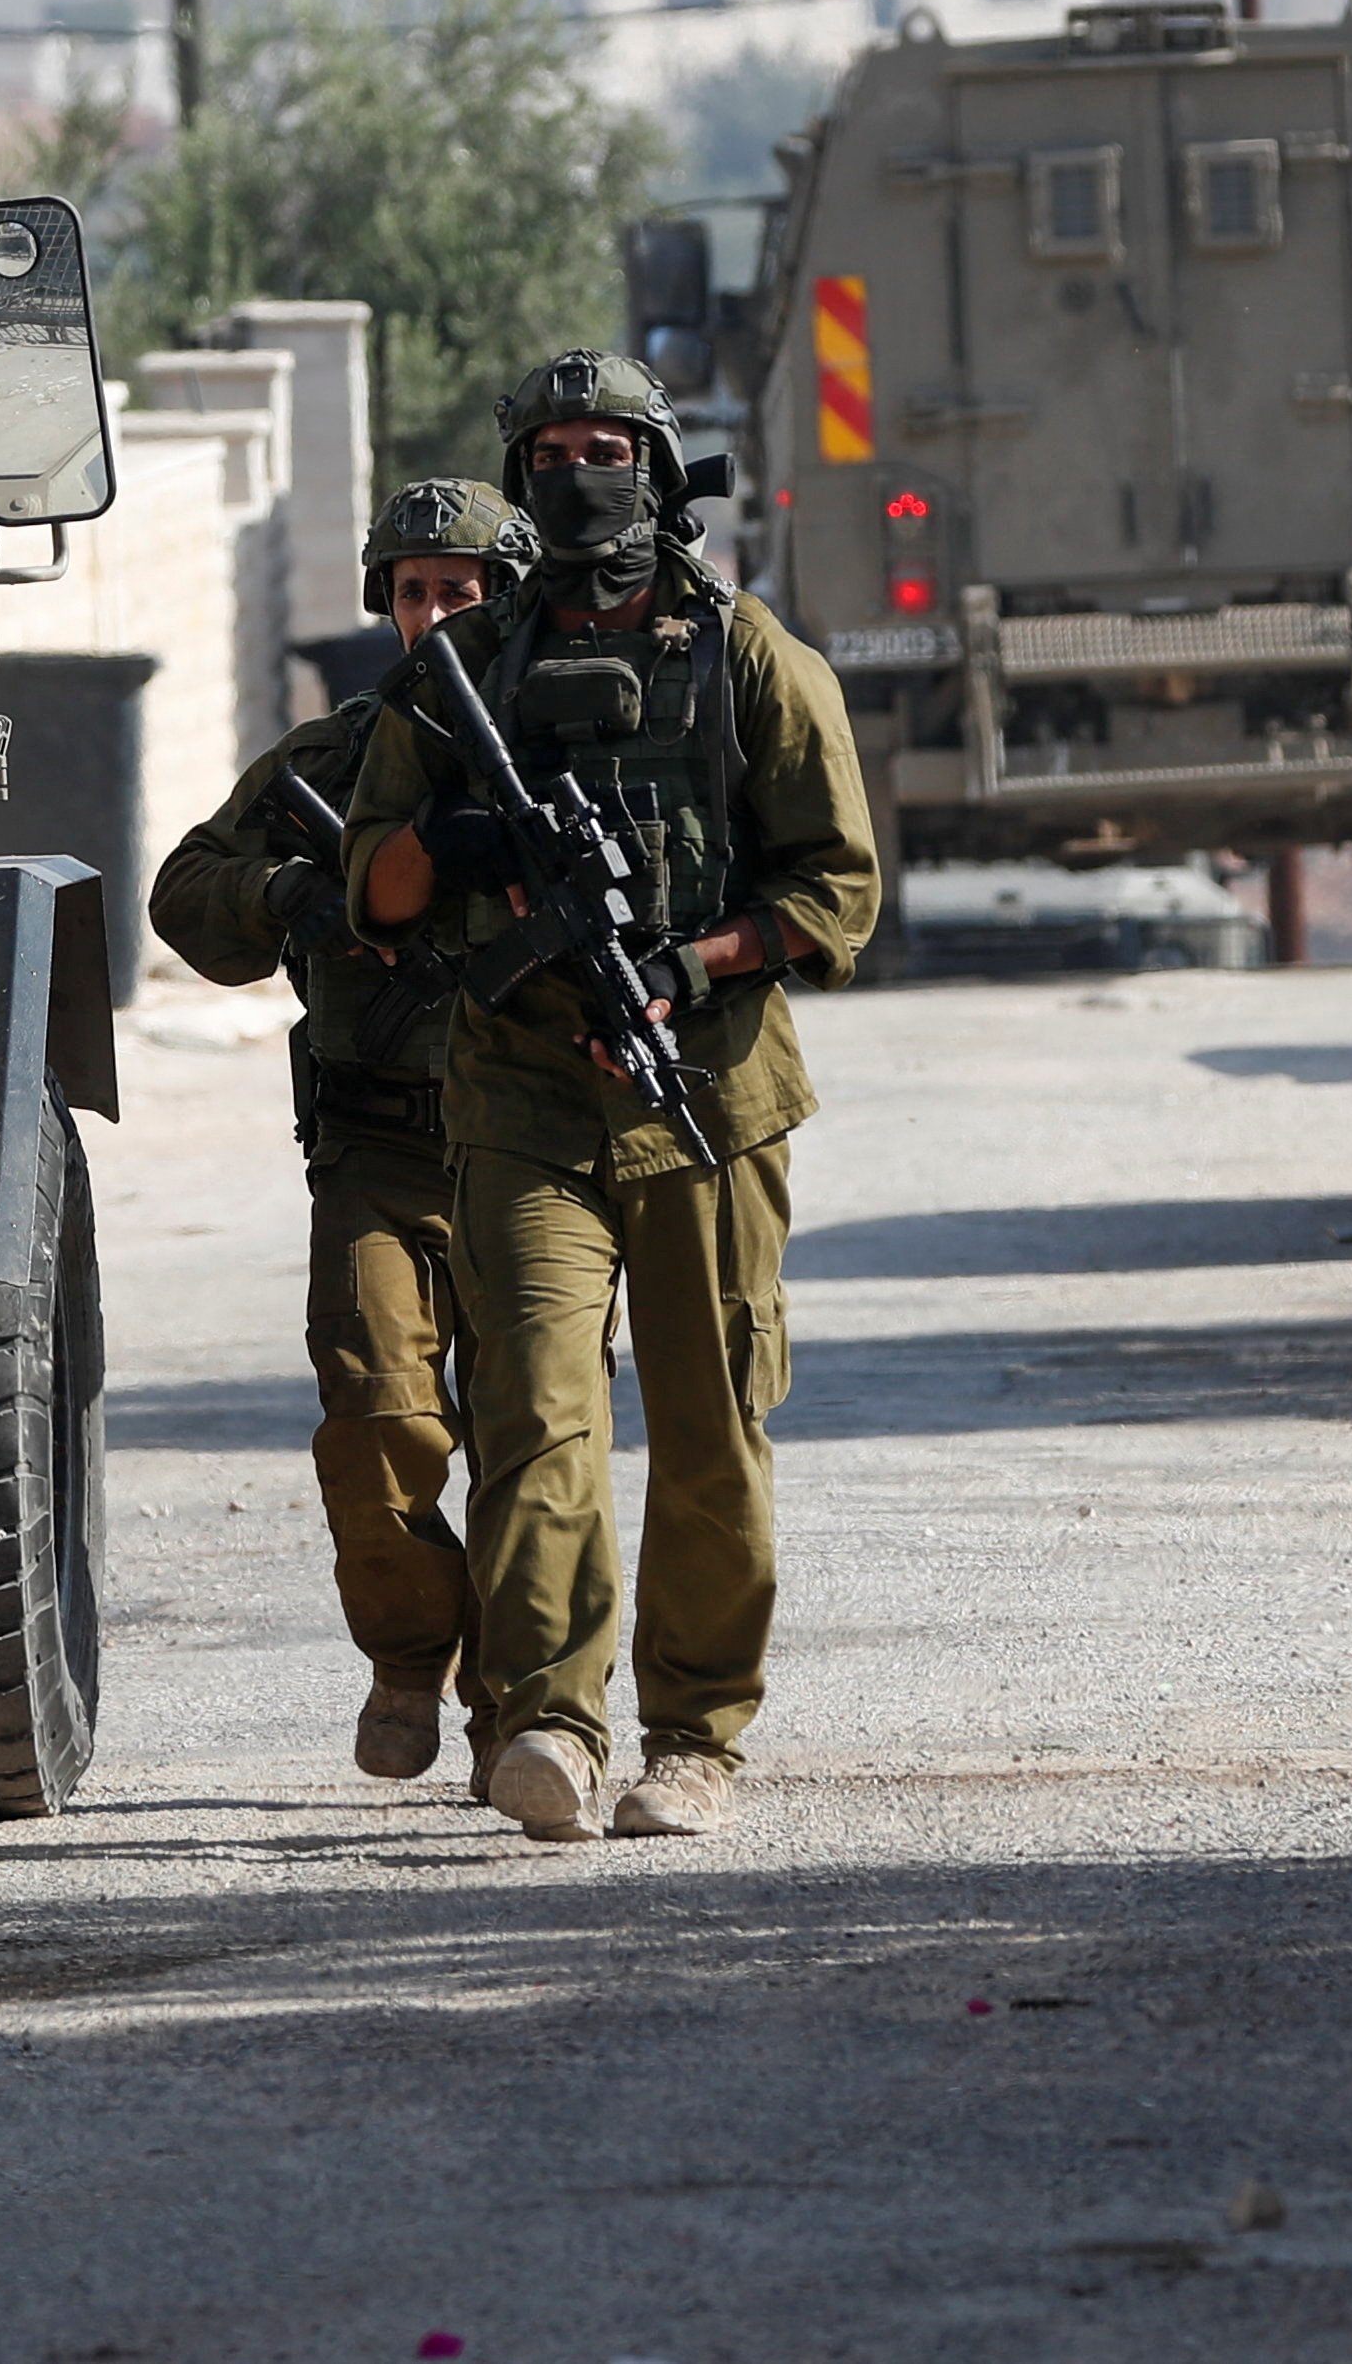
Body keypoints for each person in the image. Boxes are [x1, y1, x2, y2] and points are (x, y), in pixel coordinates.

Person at [342, 351, 877, 1841]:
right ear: (526, 481)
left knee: (710, 1428)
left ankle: (694, 1735)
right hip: (520, 1099)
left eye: (609, 446)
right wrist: (458, 840)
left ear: (657, 466)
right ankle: (552, 1724)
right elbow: (376, 895)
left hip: (703, 1092)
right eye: (556, 450)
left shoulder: (746, 654)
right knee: (536, 1418)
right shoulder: (465, 669)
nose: (584, 472)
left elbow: (837, 890)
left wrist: (691, 962)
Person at [148, 480, 538, 1789]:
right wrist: (293, 893)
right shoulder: (331, 760)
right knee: (379, 1422)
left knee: (536, 1441)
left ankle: (524, 1709)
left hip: (529, 1152)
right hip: (376, 1155)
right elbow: (185, 890)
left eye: (463, 592)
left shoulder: (557, 753)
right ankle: (410, 1652)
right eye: (415, 590)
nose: (435, 614)